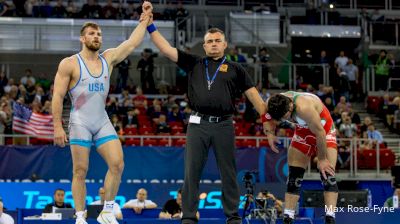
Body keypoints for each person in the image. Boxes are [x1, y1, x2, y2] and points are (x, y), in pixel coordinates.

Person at [146, 3, 267, 222]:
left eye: (217, 40)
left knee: (228, 173)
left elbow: (254, 96)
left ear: (225, 44)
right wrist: (150, 25)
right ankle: (189, 217)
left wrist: (267, 120)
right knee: (192, 173)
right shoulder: (194, 63)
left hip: (223, 124)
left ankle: (233, 217)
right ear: (204, 46)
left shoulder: (236, 69)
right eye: (209, 41)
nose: (213, 44)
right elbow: (165, 48)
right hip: (198, 123)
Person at [51, 3, 153, 224]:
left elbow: (132, 43)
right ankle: (80, 216)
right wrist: (58, 127)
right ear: (82, 38)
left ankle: (107, 211)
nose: (96, 36)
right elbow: (57, 96)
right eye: (91, 33)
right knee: (80, 170)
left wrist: (144, 20)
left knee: (117, 164)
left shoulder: (108, 58)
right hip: (80, 122)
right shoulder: (69, 64)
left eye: (99, 34)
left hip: (101, 120)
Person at [264, 91, 338, 224]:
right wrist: (270, 134)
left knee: (328, 175)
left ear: (290, 107)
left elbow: (320, 133)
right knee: (294, 178)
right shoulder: (272, 102)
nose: (281, 119)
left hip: (323, 129)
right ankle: (288, 217)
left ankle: (330, 217)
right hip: (302, 130)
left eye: (283, 117)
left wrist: (321, 159)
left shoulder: (304, 107)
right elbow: (266, 116)